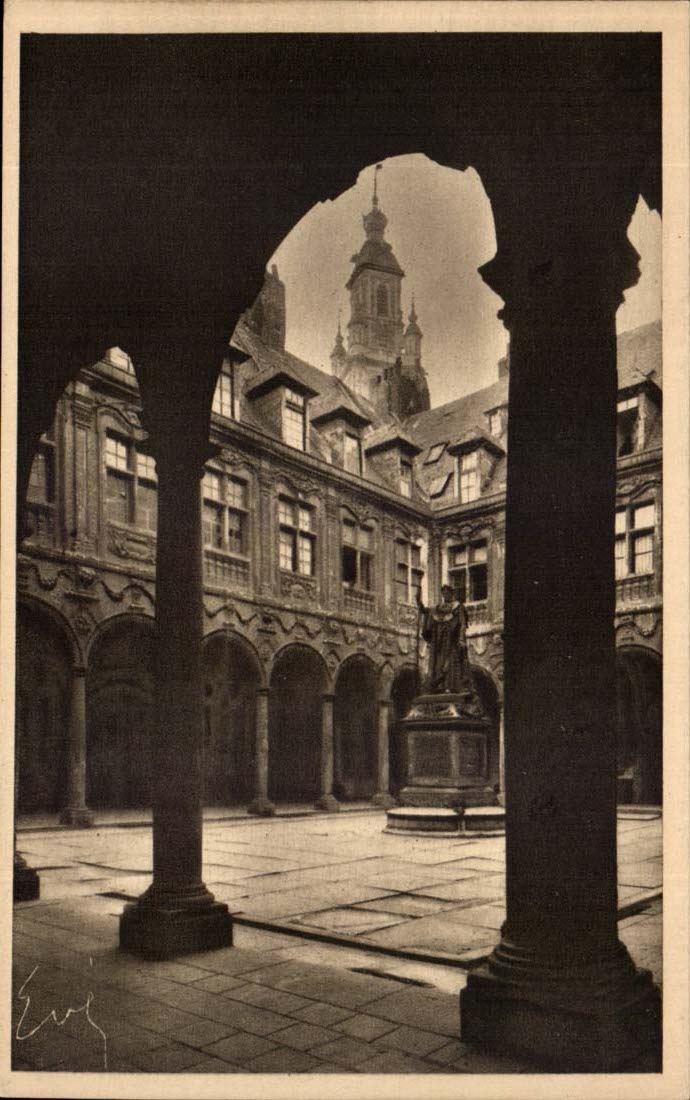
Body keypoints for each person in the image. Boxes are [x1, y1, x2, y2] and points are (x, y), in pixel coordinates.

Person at [416, 583, 473, 695]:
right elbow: (424, 611)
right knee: (438, 664)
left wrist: (461, 639)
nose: (445, 595)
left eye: (447, 592)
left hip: (452, 641)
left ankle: (449, 686)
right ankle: (438, 687)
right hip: (438, 642)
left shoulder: (458, 607)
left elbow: (462, 623)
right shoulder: (437, 608)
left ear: (452, 594)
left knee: (450, 663)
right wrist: (418, 600)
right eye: (443, 593)